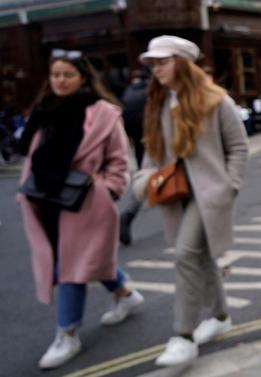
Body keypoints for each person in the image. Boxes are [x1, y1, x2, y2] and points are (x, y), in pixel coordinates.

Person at [17, 49, 143, 370]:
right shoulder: (42, 111)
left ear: (83, 78)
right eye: (55, 74)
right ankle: (126, 294)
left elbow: (119, 160)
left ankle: (67, 334)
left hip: (86, 202)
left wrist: (107, 190)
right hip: (45, 200)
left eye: (67, 75)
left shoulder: (102, 113)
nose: (60, 81)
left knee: (70, 266)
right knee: (79, 259)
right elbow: (31, 155)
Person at [132, 36, 248, 367]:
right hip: (174, 194)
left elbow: (239, 147)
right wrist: (143, 181)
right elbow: (151, 152)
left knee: (185, 255)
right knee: (202, 257)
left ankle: (183, 335)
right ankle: (221, 315)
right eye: (152, 65)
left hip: (209, 195)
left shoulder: (215, 100)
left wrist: (230, 186)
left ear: (182, 63)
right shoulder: (157, 102)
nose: (156, 70)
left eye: (162, 62)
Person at [118, 69, 148, 245]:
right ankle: (129, 212)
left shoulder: (129, 91)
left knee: (144, 175)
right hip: (153, 139)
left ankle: (129, 212)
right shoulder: (152, 90)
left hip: (137, 140)